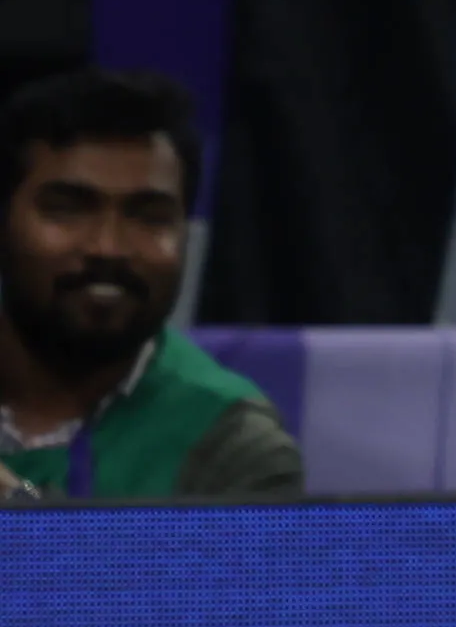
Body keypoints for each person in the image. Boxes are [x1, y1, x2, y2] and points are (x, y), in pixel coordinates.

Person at [0, 66, 295, 500]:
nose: (108, 247)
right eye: (67, 209)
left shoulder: (233, 447)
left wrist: (16, 508)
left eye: (148, 216)